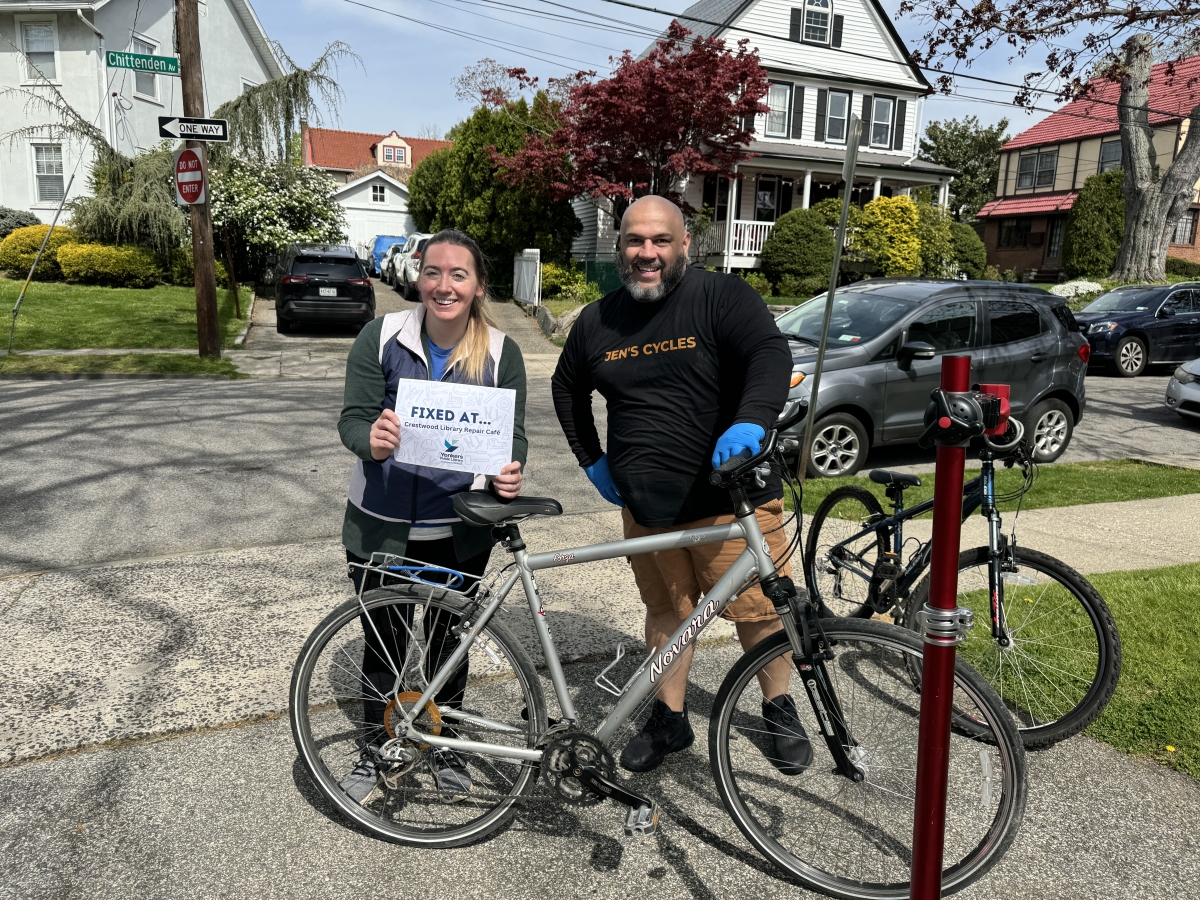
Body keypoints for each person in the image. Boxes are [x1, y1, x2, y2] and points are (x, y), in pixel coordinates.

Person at [551, 196, 812, 775]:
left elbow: (769, 354)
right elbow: (566, 387)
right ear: (619, 246)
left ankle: (778, 707)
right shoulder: (598, 320)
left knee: (758, 612)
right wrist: (592, 460)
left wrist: (751, 420)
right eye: (635, 240)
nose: (647, 253)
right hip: (646, 508)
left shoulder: (723, 297)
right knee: (667, 613)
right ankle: (671, 718)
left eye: (660, 240)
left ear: (685, 243)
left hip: (730, 501)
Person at [336, 229, 527, 802]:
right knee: (385, 646)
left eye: (458, 274)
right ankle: (379, 746)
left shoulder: (502, 352)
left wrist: (509, 472)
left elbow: (512, 437)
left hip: (460, 531)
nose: (444, 285)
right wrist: (370, 439)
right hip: (381, 527)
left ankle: (446, 744)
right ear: (418, 278)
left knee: (449, 645)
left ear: (478, 286)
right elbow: (352, 419)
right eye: (433, 272)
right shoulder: (380, 336)